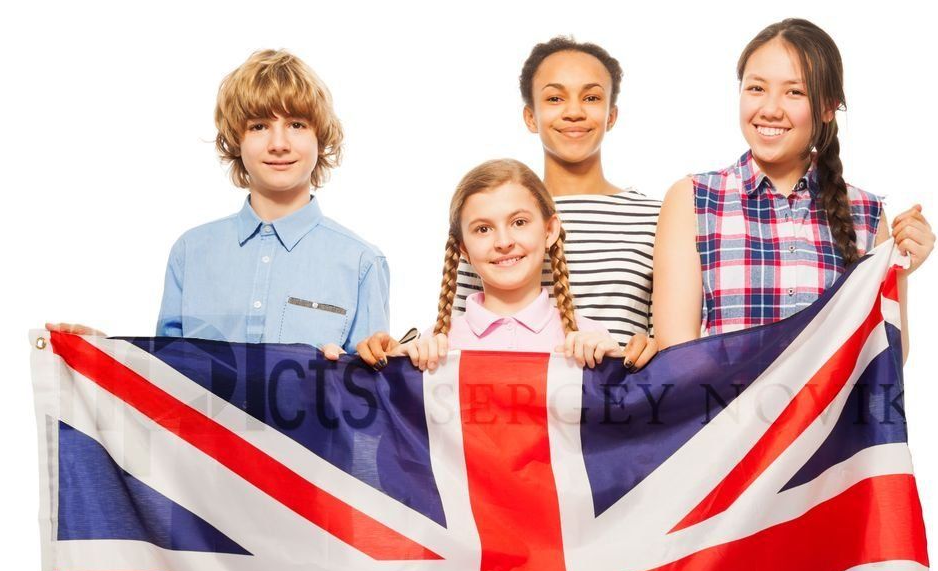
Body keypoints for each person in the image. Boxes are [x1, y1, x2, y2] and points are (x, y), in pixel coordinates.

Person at [651, 18, 935, 359]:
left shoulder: (866, 213)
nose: (770, 109)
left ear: (828, 107)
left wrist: (898, 270)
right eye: (756, 88)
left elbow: (886, 361)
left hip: (832, 415)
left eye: (794, 92)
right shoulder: (695, 199)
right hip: (727, 411)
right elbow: (677, 354)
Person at [154, 49, 389, 357]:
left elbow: (372, 393)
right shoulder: (190, 253)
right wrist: (98, 356)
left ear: (320, 137)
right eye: (259, 126)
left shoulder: (362, 263)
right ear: (237, 140)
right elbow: (160, 382)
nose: (279, 144)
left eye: (297, 124)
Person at [453, 36, 661, 371]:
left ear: (611, 115)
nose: (574, 112)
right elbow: (461, 336)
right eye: (554, 98)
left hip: (616, 409)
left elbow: (665, 340)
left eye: (591, 97)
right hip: (514, 405)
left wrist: (650, 347)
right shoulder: (493, 220)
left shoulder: (656, 218)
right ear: (531, 117)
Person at [356, 159, 620, 371]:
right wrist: (398, 369)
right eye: (483, 229)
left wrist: (613, 368)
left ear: (549, 230)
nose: (503, 242)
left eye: (519, 222)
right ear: (464, 249)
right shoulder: (434, 349)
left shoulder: (589, 338)